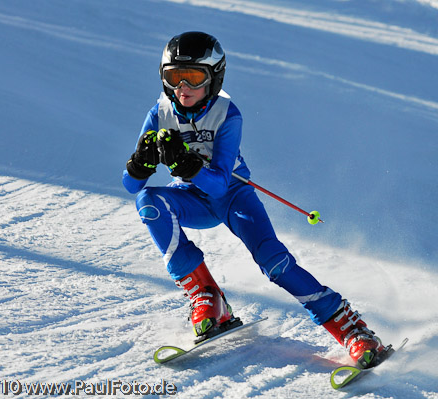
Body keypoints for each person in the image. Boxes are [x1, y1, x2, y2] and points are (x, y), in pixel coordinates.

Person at [123, 31, 386, 367]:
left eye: (193, 77)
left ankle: (351, 329)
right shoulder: (159, 113)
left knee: (273, 262)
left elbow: (219, 185)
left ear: (214, 78)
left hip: (233, 197)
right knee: (148, 202)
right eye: (174, 77)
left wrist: (185, 164)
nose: (182, 88)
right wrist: (139, 164)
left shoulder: (227, 114)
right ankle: (206, 296)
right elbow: (132, 186)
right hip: (193, 198)